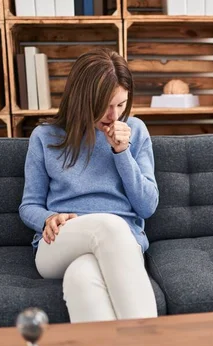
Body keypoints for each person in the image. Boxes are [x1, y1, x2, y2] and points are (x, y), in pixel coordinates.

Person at [19, 48, 159, 323]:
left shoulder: (136, 132)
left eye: (121, 104)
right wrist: (49, 217)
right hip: (58, 243)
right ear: (82, 99)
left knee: (81, 277)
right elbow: (29, 205)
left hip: (121, 245)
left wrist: (122, 153)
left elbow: (147, 206)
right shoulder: (44, 137)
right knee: (109, 225)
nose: (113, 115)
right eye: (105, 105)